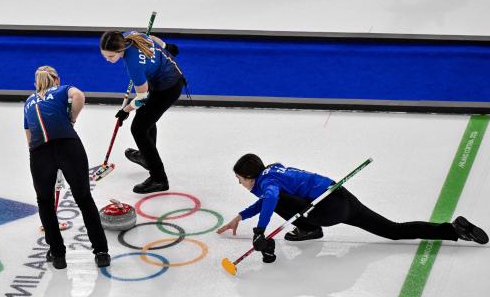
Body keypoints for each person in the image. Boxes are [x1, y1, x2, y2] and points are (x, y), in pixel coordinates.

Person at [217, 153, 488, 263]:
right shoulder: (272, 171)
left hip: (327, 209)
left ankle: (309, 229)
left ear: (250, 177)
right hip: (340, 196)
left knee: (274, 200)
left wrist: (260, 230)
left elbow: (272, 197)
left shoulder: (268, 183)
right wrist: (241, 216)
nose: (239, 183)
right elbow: (270, 196)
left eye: (240, 179)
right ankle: (453, 229)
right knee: (393, 230)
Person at [24, 65, 110, 269]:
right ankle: (101, 252)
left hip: (40, 152)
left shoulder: (28, 102)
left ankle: (57, 254)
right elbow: (79, 96)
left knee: (44, 202)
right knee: (83, 198)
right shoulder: (62, 90)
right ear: (57, 80)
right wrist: (72, 117)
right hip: (68, 146)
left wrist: (39, 158)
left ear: (36, 84)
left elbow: (28, 132)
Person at [99, 30, 183, 194]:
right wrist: (166, 46)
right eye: (104, 56)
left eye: (110, 57)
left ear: (120, 50)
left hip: (168, 88)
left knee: (138, 129)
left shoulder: (133, 64)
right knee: (146, 121)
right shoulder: (129, 35)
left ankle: (159, 178)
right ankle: (147, 156)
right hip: (161, 77)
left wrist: (125, 110)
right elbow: (150, 37)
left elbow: (142, 97)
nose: (107, 60)